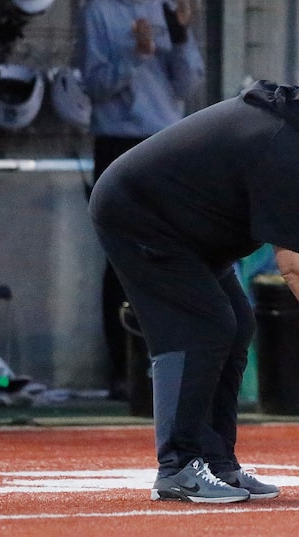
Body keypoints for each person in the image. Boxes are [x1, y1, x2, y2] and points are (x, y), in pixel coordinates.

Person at [88, 63, 299, 503]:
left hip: (184, 225)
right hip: (139, 217)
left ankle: (217, 463)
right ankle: (176, 467)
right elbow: (295, 267)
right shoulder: (281, 147)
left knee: (236, 322)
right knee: (202, 328)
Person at [78, 0, 205, 400]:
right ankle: (124, 369)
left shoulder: (166, 8)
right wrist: (136, 54)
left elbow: (188, 84)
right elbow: (94, 85)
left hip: (166, 140)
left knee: (172, 251)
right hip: (118, 140)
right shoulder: (99, 11)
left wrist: (181, 36)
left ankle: (174, 366)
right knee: (121, 257)